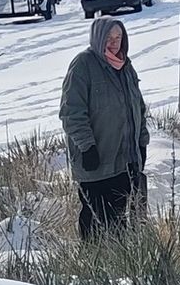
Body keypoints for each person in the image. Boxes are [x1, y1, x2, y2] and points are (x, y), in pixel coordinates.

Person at [59, 16, 149, 239]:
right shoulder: (83, 65)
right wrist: (87, 147)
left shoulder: (126, 66)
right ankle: (93, 265)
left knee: (119, 222)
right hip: (96, 163)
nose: (114, 42)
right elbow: (71, 112)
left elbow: (138, 108)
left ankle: (119, 266)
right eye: (109, 37)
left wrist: (142, 142)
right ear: (98, 37)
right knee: (94, 221)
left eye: (118, 37)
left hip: (125, 161)